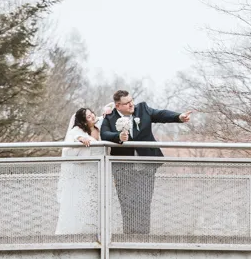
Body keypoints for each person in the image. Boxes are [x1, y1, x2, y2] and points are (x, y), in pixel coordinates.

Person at [100, 90, 192, 235]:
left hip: (146, 165)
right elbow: (104, 134)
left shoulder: (142, 109)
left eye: (131, 100)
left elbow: (160, 114)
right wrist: (118, 137)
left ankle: (143, 236)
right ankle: (129, 235)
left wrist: (178, 117)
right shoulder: (109, 117)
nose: (131, 104)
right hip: (123, 167)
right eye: (127, 103)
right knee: (126, 202)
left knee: (144, 200)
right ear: (118, 106)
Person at [56, 106, 109, 236]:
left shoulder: (99, 125)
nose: (92, 117)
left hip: (99, 170)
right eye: (88, 117)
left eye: (92, 114)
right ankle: (74, 230)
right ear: (84, 121)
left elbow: (110, 109)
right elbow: (69, 146)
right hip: (82, 171)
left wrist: (107, 109)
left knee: (96, 200)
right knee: (80, 199)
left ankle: (97, 230)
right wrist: (79, 139)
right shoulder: (77, 131)